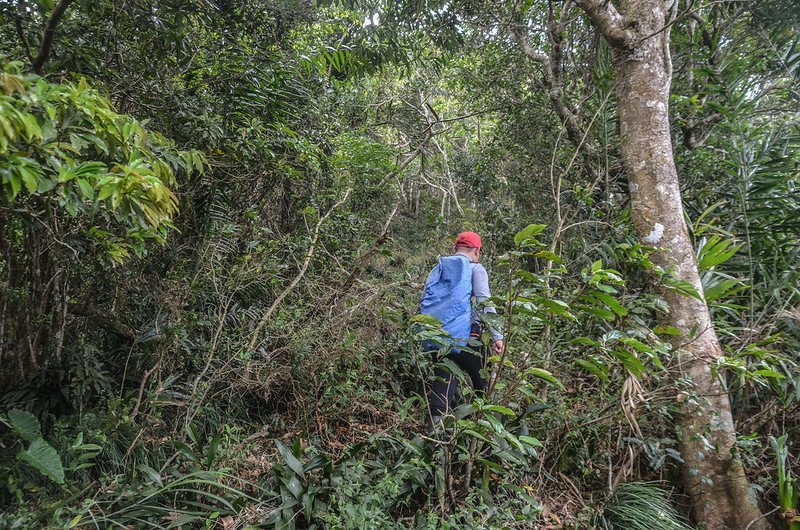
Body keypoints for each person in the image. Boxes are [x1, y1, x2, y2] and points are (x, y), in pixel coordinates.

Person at [419, 231, 504, 427]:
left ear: (455, 249)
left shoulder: (438, 268)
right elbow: (484, 302)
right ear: (476, 250)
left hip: (438, 338)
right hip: (466, 340)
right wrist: (497, 335)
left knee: (443, 384)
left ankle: (436, 437)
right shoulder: (476, 268)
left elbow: (425, 301)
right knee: (484, 383)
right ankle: (484, 432)